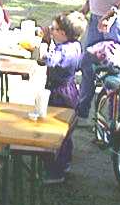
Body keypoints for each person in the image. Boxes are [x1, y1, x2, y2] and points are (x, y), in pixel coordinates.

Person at [36, 11, 87, 183]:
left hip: (60, 93)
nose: (51, 30)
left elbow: (47, 60)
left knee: (55, 131)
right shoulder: (74, 45)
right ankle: (65, 163)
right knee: (65, 131)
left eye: (54, 29)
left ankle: (55, 171)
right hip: (69, 90)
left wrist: (44, 42)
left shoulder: (64, 51)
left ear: (63, 33)